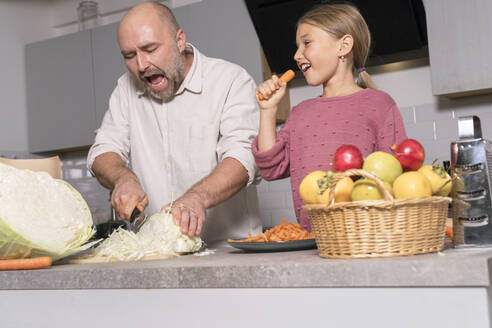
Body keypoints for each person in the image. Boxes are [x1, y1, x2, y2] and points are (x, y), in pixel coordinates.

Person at [87, 2, 261, 241]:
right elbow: (103, 151)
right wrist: (122, 178)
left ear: (180, 41)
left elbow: (243, 157)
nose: (141, 65)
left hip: (228, 250)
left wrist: (197, 197)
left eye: (150, 49)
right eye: (130, 55)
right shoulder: (125, 89)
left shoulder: (230, 80)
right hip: (156, 252)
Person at [252, 3, 408, 231]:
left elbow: (397, 180)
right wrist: (267, 111)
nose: (296, 55)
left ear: (343, 46)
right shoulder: (300, 113)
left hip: (367, 237)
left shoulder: (380, 105)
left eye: (306, 43)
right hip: (312, 241)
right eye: (297, 46)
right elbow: (271, 168)